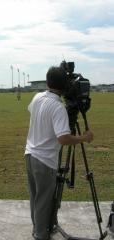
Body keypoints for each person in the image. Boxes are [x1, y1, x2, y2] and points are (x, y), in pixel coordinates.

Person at [24, 66, 94, 240]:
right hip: (45, 160)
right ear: (64, 86)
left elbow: (32, 111)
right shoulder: (58, 107)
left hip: (30, 155)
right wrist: (83, 138)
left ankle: (38, 229)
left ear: (47, 81)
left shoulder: (37, 97)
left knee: (35, 197)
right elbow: (63, 139)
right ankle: (41, 235)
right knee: (44, 200)